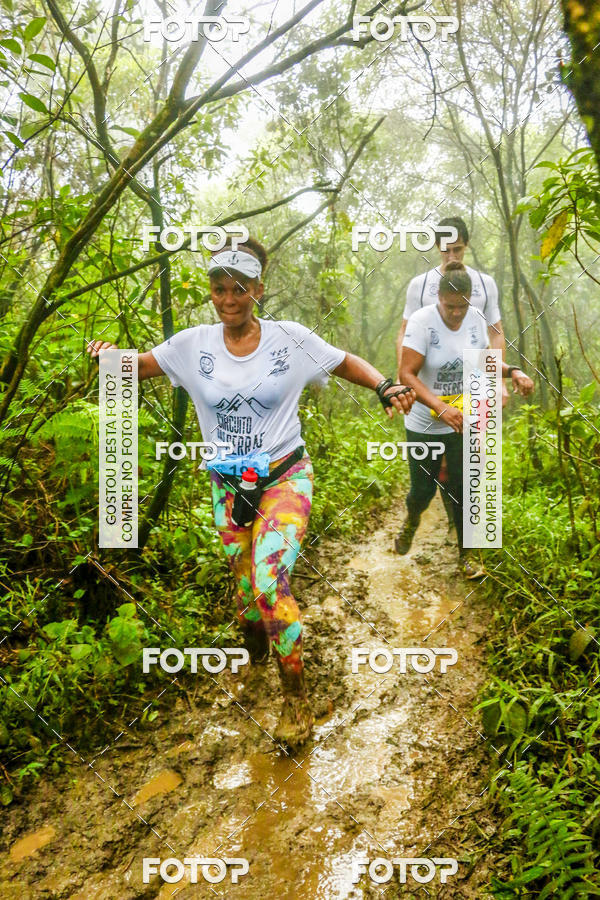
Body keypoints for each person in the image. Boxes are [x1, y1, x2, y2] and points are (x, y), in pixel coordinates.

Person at [88, 236, 415, 748]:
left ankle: (295, 698)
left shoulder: (290, 339)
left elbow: (344, 361)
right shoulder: (191, 346)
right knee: (246, 593)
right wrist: (110, 358)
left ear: (258, 290)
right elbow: (139, 365)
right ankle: (256, 645)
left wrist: (383, 386)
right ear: (211, 292)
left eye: (239, 289)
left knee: (268, 581)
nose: (228, 299)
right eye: (219, 289)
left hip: (285, 475)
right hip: (227, 484)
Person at [398, 261, 534, 577]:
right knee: (423, 491)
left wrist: (513, 371)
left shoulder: (474, 319)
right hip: (424, 422)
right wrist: (439, 407)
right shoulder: (422, 322)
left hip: (462, 418)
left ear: (470, 299)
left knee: (464, 488)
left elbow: (483, 361)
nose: (457, 313)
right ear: (439, 298)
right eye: (450, 306)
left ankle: (468, 556)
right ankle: (413, 518)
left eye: (462, 305)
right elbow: (406, 374)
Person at [395, 216, 522, 531]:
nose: (452, 256)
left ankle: (465, 535)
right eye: (446, 250)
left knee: (468, 467)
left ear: (466, 246)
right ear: (437, 248)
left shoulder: (484, 285)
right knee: (432, 470)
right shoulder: (421, 286)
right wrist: (402, 380)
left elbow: (495, 333)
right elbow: (404, 334)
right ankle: (434, 512)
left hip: (470, 384)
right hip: (429, 388)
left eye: (458, 249)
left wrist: (497, 381)